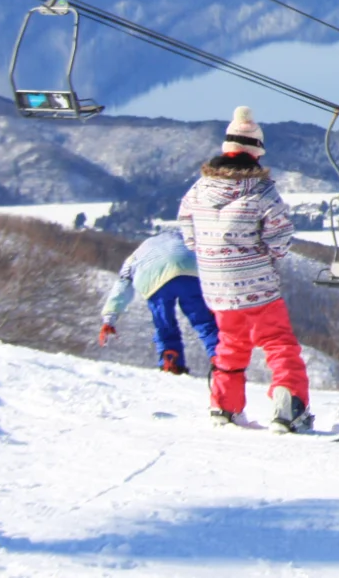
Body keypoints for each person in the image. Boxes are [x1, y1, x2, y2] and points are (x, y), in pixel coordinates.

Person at [177, 106, 311, 433]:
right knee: (278, 342)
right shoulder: (262, 191)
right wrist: (264, 255)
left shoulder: (198, 189)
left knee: (231, 342)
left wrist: (212, 255)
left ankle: (223, 406)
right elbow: (279, 238)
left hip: (216, 286)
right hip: (257, 284)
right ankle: (288, 406)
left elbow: (188, 232)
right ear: (256, 152)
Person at [97, 228, 220, 375]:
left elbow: (123, 284)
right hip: (189, 269)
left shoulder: (138, 253)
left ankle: (171, 362)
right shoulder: (188, 241)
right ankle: (220, 359)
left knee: (164, 324)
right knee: (205, 322)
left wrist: (109, 318)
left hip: (153, 277)